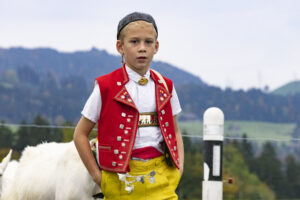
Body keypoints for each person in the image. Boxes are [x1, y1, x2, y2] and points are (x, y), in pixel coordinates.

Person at [74, 11, 184, 200]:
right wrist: (97, 176)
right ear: (120, 47)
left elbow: (175, 132)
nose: (142, 48)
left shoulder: (166, 86)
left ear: (156, 47)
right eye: (134, 42)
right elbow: (80, 134)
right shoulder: (106, 87)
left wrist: (178, 170)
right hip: (119, 181)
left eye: (148, 42)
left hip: (162, 178)